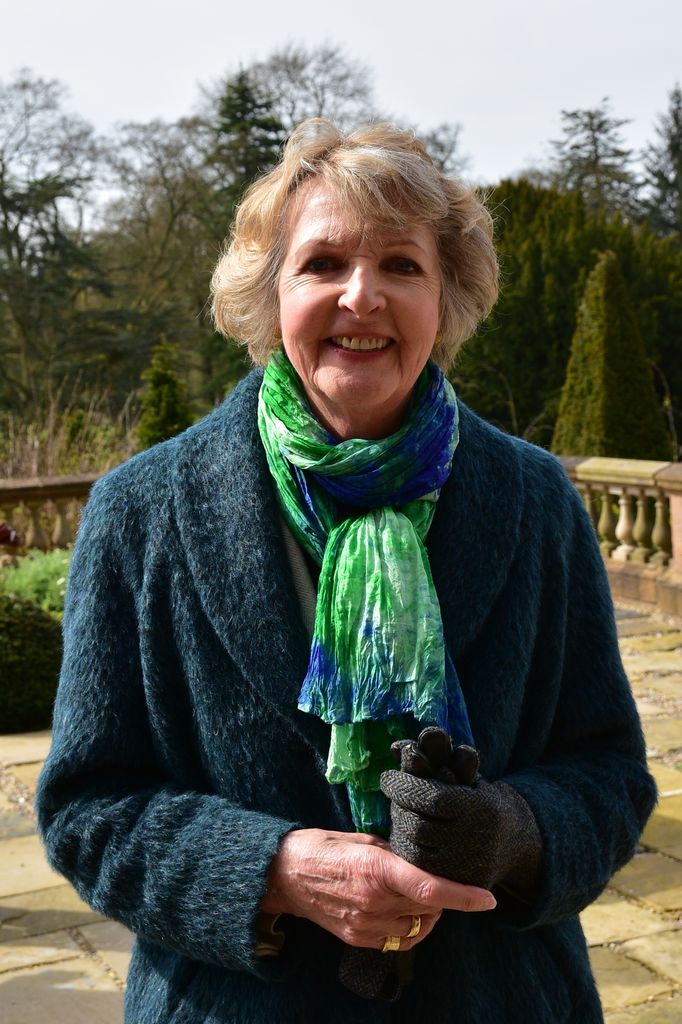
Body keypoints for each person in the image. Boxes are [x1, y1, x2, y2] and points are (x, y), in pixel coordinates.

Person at [36, 119, 656, 1024]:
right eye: (323, 263)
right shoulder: (140, 509)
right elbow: (88, 808)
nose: (361, 296)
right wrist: (274, 872)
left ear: (446, 296)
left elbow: (609, 773)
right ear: (268, 294)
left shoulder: (536, 499)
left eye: (402, 265)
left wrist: (515, 833)